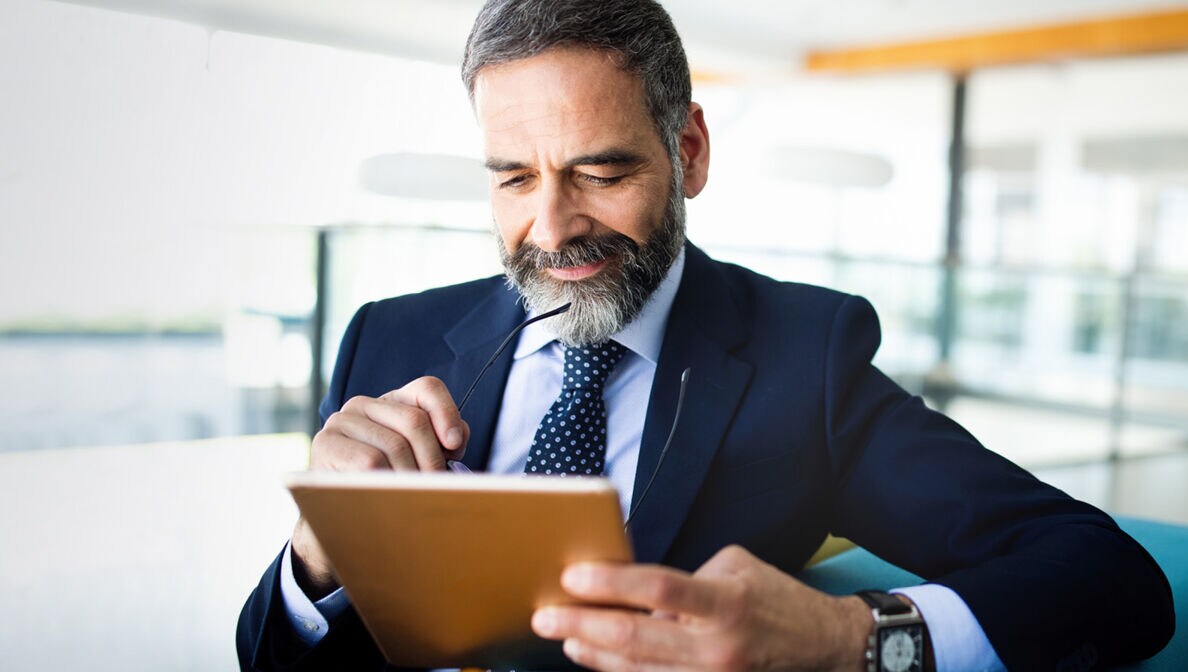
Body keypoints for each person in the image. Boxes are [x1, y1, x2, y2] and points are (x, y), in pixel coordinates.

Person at [236, 1, 1175, 670]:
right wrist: (315, 560)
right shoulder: (384, 340)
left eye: (600, 174)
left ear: (689, 152)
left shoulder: (804, 358)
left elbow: (1107, 578)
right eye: (515, 178)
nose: (553, 229)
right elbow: (273, 653)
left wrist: (844, 641)